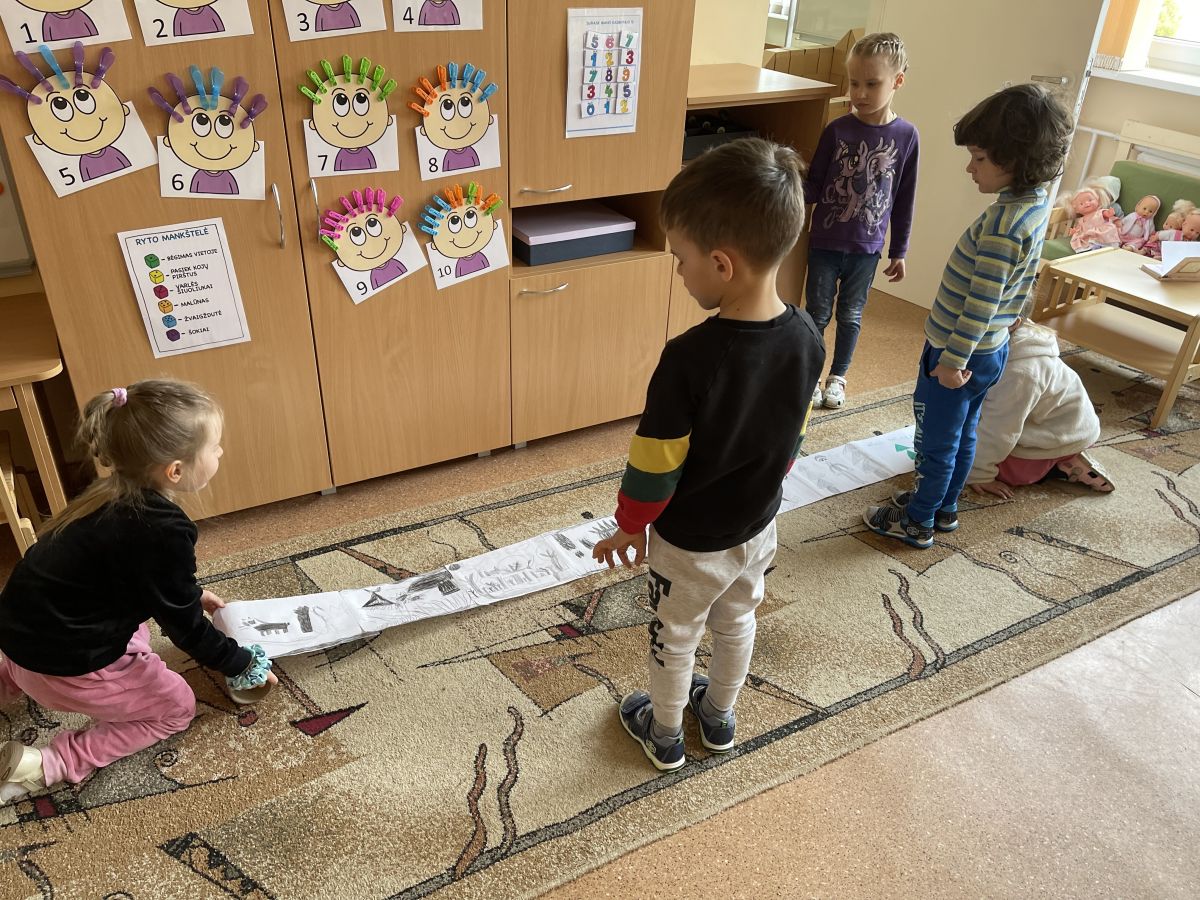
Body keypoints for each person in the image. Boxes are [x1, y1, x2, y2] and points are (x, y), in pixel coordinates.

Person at [592, 138, 825, 771]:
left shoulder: (689, 359)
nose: (679, 271)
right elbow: (793, 438)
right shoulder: (808, 336)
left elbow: (655, 462)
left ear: (722, 264)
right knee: (738, 620)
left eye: (681, 259)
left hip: (691, 541)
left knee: (675, 634)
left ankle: (665, 732)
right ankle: (719, 717)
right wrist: (765, 488)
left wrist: (630, 525)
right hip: (758, 525)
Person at [0, 380, 274, 803]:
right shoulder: (164, 530)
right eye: (214, 447)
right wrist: (239, 662)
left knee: (135, 630)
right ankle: (48, 765)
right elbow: (186, 631)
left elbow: (120, 575)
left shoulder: (101, 496)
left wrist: (188, 592)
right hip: (62, 668)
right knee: (175, 708)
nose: (220, 452)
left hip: (17, 642)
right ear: (175, 470)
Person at [863, 83, 1072, 548]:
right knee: (965, 431)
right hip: (990, 350)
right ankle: (944, 507)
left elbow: (981, 303)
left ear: (1014, 160)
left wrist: (952, 360)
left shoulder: (1002, 227)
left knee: (935, 440)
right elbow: (1020, 281)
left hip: (958, 353)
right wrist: (1009, 321)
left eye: (979, 158)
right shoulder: (1036, 205)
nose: (969, 167)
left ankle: (918, 520)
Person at [803, 32, 918, 410]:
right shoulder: (837, 130)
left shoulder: (907, 136)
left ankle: (838, 376)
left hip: (866, 249)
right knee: (817, 314)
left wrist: (899, 250)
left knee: (851, 315)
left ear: (898, 81)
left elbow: (904, 198)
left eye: (872, 84)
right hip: (824, 242)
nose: (860, 93)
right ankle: (811, 375)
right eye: (854, 83)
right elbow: (815, 184)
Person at [966, 310, 1112, 498]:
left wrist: (980, 474)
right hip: (1058, 424)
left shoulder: (1021, 374)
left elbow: (1000, 431)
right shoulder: (1014, 333)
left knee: (969, 460)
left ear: (1013, 323)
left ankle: (1061, 462)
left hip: (1059, 437)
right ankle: (1060, 458)